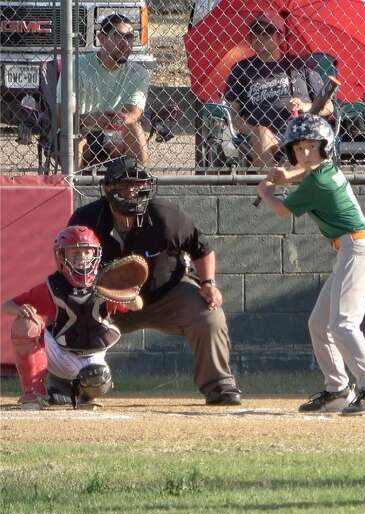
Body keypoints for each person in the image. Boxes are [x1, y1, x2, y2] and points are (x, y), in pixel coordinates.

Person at [68, 157, 243, 406]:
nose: (132, 191)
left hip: (167, 294)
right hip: (109, 299)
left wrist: (208, 283)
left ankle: (219, 385)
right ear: (108, 189)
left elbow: (202, 249)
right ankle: (69, 385)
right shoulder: (87, 219)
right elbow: (68, 260)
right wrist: (91, 294)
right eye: (124, 185)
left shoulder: (166, 216)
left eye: (138, 184)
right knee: (71, 313)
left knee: (209, 316)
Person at [255, 114, 365, 415]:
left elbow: (282, 209)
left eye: (312, 147)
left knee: (343, 323)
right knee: (319, 324)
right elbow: (304, 174)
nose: (305, 153)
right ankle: (338, 390)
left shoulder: (318, 183)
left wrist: (266, 191)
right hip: (351, 248)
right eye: (299, 147)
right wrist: (286, 176)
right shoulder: (322, 172)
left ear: (325, 147)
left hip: (357, 248)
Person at [3, 226, 144, 410]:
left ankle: (82, 394)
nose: (82, 259)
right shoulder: (53, 286)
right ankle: (33, 393)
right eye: (75, 253)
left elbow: (138, 305)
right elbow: (6, 305)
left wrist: (127, 294)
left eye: (87, 252)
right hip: (58, 353)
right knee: (26, 325)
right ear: (61, 256)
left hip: (91, 357)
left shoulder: (105, 284)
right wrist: (22, 309)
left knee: (97, 378)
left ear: (96, 254)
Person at [223, 11, 333, 168]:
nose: (261, 37)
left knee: (298, 138)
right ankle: (274, 186)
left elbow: (329, 107)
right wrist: (255, 130)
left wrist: (304, 106)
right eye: (256, 32)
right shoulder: (241, 69)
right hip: (259, 131)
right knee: (262, 133)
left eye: (268, 32)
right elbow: (233, 115)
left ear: (280, 37)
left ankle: (283, 184)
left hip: (300, 127)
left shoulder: (300, 66)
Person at [75, 13, 152, 168]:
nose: (125, 43)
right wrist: (90, 119)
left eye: (129, 37)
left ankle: (141, 181)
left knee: (135, 128)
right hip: (83, 129)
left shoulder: (139, 73)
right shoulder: (77, 66)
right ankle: (73, 187)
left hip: (118, 132)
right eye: (118, 36)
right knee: (75, 140)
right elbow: (60, 114)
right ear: (101, 38)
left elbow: (133, 114)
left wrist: (114, 124)